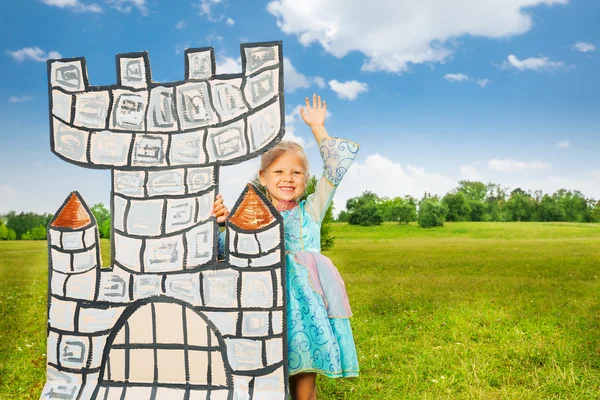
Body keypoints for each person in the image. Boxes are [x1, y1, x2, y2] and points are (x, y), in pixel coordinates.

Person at [211, 94, 360, 400]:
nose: (288, 179)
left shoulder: (311, 211)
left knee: (303, 380)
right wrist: (223, 224)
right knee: (266, 377)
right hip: (264, 300)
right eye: (279, 172)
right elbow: (227, 252)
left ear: (306, 178)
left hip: (304, 307)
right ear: (263, 177)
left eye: (296, 172)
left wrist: (318, 127)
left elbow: (335, 166)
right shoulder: (249, 214)